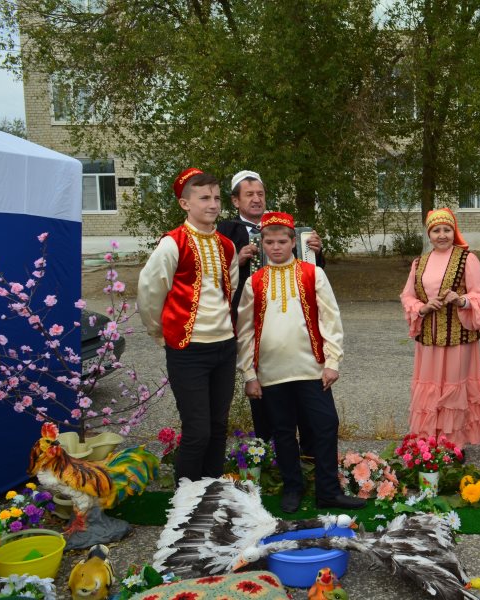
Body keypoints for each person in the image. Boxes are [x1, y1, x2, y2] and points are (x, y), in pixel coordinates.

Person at [235, 211, 364, 513]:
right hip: (271, 373)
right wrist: (249, 374)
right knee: (282, 431)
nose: (276, 247)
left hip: (311, 369)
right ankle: (293, 487)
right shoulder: (255, 282)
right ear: (262, 244)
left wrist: (332, 361)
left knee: (325, 425)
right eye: (270, 242)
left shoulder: (312, 273)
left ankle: (328, 490)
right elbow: (244, 331)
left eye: (282, 241)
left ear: (294, 242)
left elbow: (331, 319)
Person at [137, 168, 238, 483]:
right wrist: (162, 333)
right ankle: (186, 499)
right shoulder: (172, 244)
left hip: (224, 346)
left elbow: (228, 291)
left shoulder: (226, 245)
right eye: (204, 197)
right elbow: (150, 292)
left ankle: (211, 490)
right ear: (185, 204)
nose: (213, 204)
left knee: (219, 426)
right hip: (188, 350)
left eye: (217, 197)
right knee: (198, 430)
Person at [218, 170, 322, 448]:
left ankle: (308, 456)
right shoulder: (224, 232)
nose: (256, 199)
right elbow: (212, 279)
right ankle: (271, 453)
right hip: (254, 322)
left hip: (292, 321)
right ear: (235, 201)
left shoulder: (284, 228)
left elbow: (311, 275)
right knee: (265, 392)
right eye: (249, 194)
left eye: (260, 194)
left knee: (302, 393)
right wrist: (237, 261)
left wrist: (315, 251)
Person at [400, 208, 480, 448]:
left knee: (454, 389)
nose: (442, 235)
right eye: (436, 230)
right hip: (429, 339)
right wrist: (422, 308)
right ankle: (428, 444)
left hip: (458, 338)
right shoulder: (419, 263)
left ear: (454, 231)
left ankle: (454, 445)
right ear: (429, 234)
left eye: (447, 229)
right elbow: (407, 296)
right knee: (430, 388)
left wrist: (461, 300)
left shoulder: (467, 259)